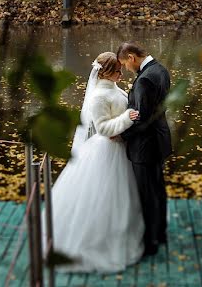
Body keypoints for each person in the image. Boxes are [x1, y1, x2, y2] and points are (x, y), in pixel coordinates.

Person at [46, 52, 145, 272]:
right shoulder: (99, 96)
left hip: (120, 148)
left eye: (120, 69)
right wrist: (126, 118)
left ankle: (123, 234)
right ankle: (98, 243)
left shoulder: (113, 88)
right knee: (105, 197)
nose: (121, 73)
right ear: (106, 72)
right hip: (107, 150)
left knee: (121, 200)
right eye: (117, 70)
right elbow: (102, 128)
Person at [117, 41, 173, 257]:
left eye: (125, 64)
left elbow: (142, 119)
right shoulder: (161, 70)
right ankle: (160, 233)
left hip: (145, 146)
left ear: (131, 57)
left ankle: (150, 243)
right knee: (158, 189)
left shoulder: (144, 80)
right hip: (160, 140)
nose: (126, 69)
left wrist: (122, 134)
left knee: (147, 194)